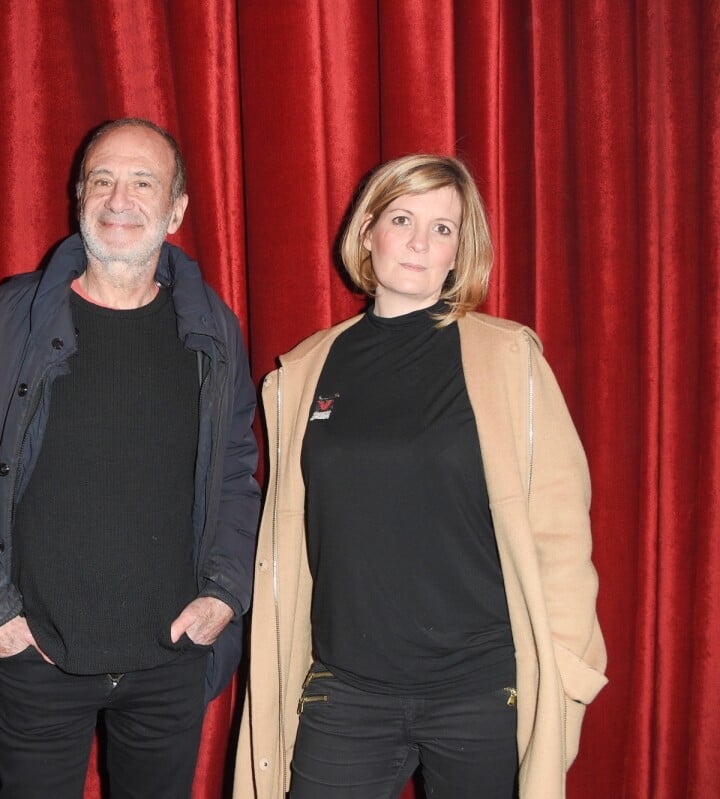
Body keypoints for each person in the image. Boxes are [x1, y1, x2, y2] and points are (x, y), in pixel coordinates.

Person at [234, 154, 607, 798]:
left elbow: (563, 535)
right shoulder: (303, 373)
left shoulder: (507, 358)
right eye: (402, 218)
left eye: (442, 229)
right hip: (345, 690)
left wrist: (567, 677)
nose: (417, 242)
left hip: (483, 691)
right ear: (367, 231)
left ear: (460, 252)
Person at [0, 118, 260, 798]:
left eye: (143, 182)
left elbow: (236, 471)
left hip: (171, 660)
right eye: (103, 180)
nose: (120, 199)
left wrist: (225, 595)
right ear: (77, 196)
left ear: (176, 211)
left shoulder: (213, 333)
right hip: (35, 658)